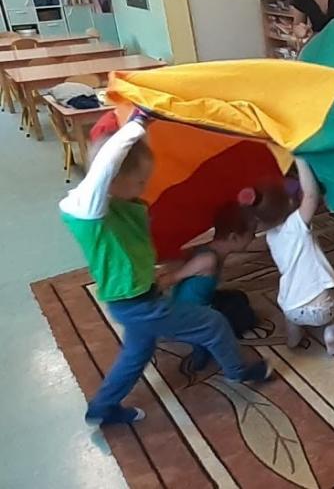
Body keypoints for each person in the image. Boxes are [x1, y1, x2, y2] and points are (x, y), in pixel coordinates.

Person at [60, 113, 271, 426]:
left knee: (137, 353)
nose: (144, 187)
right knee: (213, 323)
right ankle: (238, 372)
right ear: (114, 178)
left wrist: (140, 127)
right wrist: (137, 123)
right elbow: (105, 165)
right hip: (138, 305)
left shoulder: (110, 205)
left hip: (136, 299)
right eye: (140, 181)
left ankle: (102, 407)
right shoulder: (88, 209)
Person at [244, 158, 334, 356]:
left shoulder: (270, 237)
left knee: (290, 308)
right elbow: (311, 195)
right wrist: (300, 159)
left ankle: (293, 337)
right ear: (290, 201)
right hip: (322, 309)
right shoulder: (296, 224)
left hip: (291, 309)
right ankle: (331, 336)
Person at [158, 203, 259, 371]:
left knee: (239, 298)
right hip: (192, 316)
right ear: (234, 237)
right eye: (251, 234)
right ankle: (201, 345)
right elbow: (172, 278)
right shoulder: (207, 260)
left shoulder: (211, 250)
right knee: (245, 318)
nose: (254, 238)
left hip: (205, 301)